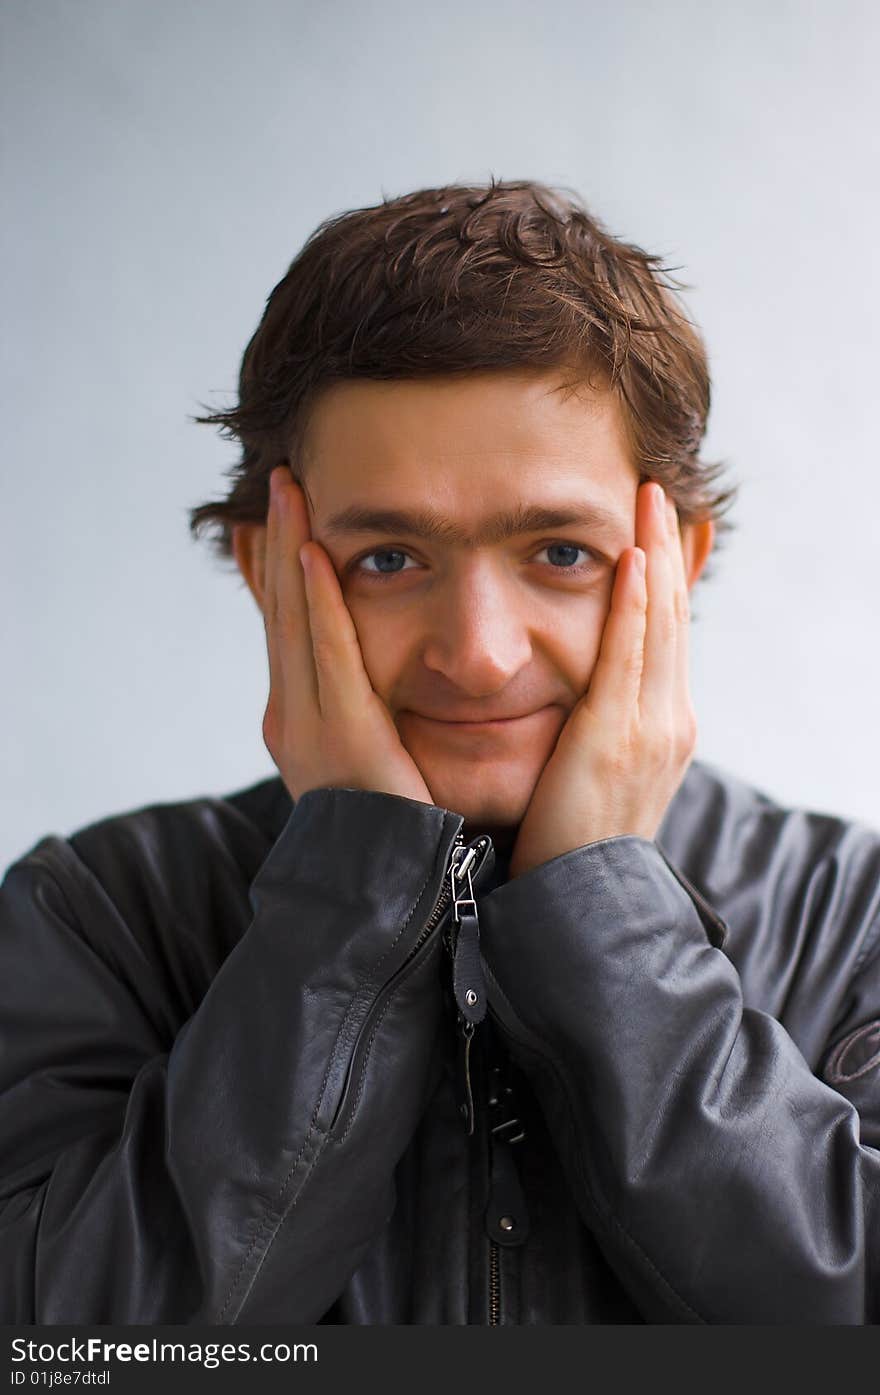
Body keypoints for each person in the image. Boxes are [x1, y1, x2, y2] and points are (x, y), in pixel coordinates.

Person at [2, 179, 879, 1327]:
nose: (476, 655)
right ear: (269, 566)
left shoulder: (849, 916)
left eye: (558, 552)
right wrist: (351, 897)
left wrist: (602, 918)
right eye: (388, 559)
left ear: (677, 559)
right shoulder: (97, 918)